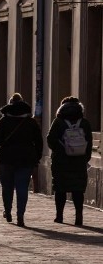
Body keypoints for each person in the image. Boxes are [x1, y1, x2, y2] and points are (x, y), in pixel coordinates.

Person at [0, 93, 43, 227]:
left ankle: (8, 211)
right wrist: (36, 157)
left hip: (6, 158)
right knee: (22, 187)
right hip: (26, 158)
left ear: (10, 105)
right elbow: (39, 142)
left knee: (7, 187)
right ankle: (20, 215)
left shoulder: (4, 121)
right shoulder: (30, 122)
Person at [46, 96, 93, 226]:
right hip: (79, 162)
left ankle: (59, 215)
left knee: (60, 189)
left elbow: (50, 140)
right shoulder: (84, 123)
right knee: (78, 190)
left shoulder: (58, 122)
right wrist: (85, 157)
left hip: (61, 162)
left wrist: (59, 150)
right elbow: (89, 142)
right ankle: (79, 216)